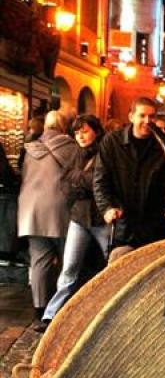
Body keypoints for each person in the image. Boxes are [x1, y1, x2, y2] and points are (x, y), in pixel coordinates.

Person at [38, 115, 108, 332]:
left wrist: (81, 180)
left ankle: (109, 311)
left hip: (101, 218)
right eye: (77, 133)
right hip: (79, 218)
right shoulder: (76, 153)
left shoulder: (104, 153)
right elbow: (66, 184)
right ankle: (52, 316)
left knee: (113, 264)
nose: (80, 136)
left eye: (85, 131)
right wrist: (83, 180)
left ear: (96, 131)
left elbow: (98, 182)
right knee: (69, 267)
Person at [93, 97, 165, 262]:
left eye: (152, 116)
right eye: (142, 116)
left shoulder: (162, 145)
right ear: (131, 116)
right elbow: (101, 180)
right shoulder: (112, 142)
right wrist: (106, 208)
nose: (147, 121)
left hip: (155, 225)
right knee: (118, 270)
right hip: (123, 223)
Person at [17, 110, 82, 320]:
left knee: (39, 260)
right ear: (64, 127)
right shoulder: (71, 147)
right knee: (68, 260)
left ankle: (39, 308)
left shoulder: (29, 149)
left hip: (31, 210)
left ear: (45, 126)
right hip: (61, 209)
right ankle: (64, 307)